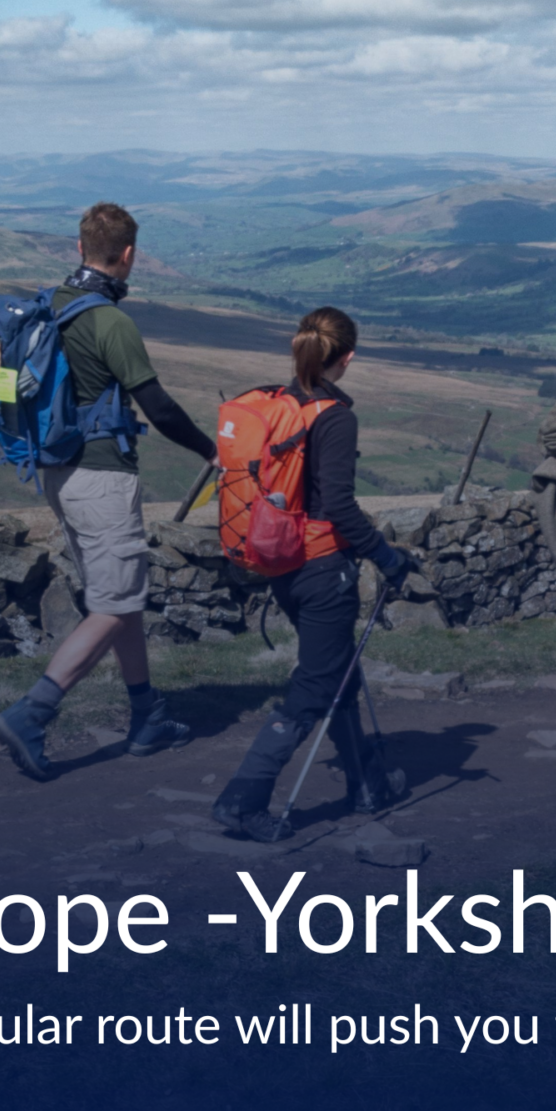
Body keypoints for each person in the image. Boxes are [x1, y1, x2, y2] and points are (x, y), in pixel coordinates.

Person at [0, 202, 220, 780]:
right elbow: (158, 406)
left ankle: (147, 716)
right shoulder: (109, 321)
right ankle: (31, 714)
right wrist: (210, 450)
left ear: (79, 247)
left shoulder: (51, 305)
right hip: (101, 478)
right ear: (129, 254)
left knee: (121, 599)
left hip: (59, 473)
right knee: (115, 603)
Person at [211, 307, 419, 840]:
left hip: (284, 565)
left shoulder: (280, 405)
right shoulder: (335, 417)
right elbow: (341, 508)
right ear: (347, 357)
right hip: (325, 569)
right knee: (312, 686)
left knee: (336, 671)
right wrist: (387, 557)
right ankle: (243, 799)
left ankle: (366, 784)